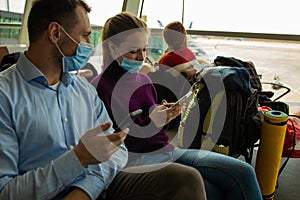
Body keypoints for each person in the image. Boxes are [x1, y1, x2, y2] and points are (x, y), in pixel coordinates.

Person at [0, 1, 207, 200]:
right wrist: (77, 159)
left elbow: (117, 150)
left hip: (99, 182)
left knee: (186, 179)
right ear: (55, 33)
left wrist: (84, 191)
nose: (90, 45)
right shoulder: (5, 95)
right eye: (85, 35)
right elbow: (5, 192)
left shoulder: (82, 90)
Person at [96, 12, 263, 200]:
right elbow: (117, 148)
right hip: (137, 161)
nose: (141, 57)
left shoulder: (143, 79)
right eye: (134, 51)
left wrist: (165, 118)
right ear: (112, 47)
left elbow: (154, 131)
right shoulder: (99, 90)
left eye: (144, 50)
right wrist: (152, 122)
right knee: (217, 191)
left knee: (244, 172)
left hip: (166, 150)